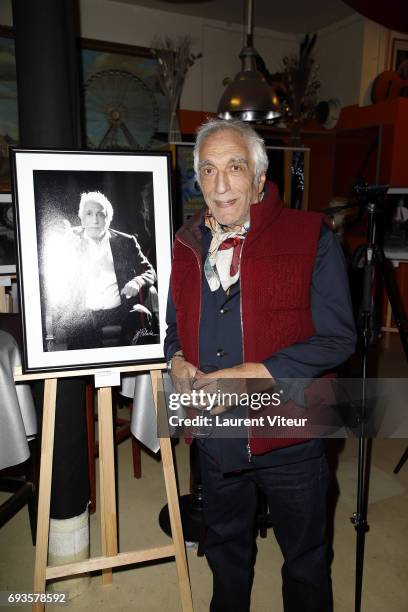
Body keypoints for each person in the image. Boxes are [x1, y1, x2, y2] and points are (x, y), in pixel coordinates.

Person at [164, 119, 356, 612]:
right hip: (216, 432)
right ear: (198, 180)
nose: (221, 184)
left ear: (258, 175)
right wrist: (176, 358)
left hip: (291, 431)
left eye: (234, 167)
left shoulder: (310, 235)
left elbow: (338, 338)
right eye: (208, 170)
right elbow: (172, 325)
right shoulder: (185, 244)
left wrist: (258, 373)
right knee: (225, 549)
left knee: (306, 559)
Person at [46, 190, 157, 350]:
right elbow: (55, 279)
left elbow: (150, 272)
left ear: (108, 219)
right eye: (89, 214)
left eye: (101, 214)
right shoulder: (69, 240)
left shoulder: (126, 242)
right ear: (81, 218)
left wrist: (137, 281)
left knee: (139, 327)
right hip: (84, 314)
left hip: (120, 311)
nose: (95, 220)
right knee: (82, 332)